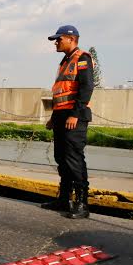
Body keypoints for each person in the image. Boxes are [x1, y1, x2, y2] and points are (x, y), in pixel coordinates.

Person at [41, 24, 94, 219]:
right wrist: (54, 118)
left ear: (71, 39)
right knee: (62, 159)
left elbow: (86, 88)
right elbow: (60, 94)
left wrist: (75, 114)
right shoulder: (65, 62)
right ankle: (64, 199)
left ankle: (82, 204)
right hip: (62, 116)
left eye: (59, 39)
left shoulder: (82, 58)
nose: (56, 42)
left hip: (75, 117)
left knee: (74, 160)